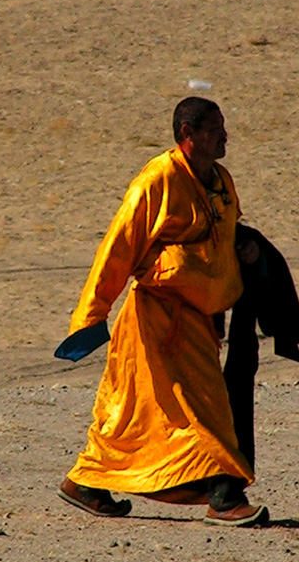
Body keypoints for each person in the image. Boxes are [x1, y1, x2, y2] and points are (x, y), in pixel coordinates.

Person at [54, 97, 270, 526]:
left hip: (197, 316)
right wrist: (90, 318)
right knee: (207, 405)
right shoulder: (156, 182)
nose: (225, 135)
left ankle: (87, 482)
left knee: (135, 413)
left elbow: (222, 232)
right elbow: (117, 250)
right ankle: (224, 496)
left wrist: (247, 248)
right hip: (157, 319)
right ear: (188, 134)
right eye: (215, 128)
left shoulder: (221, 181)